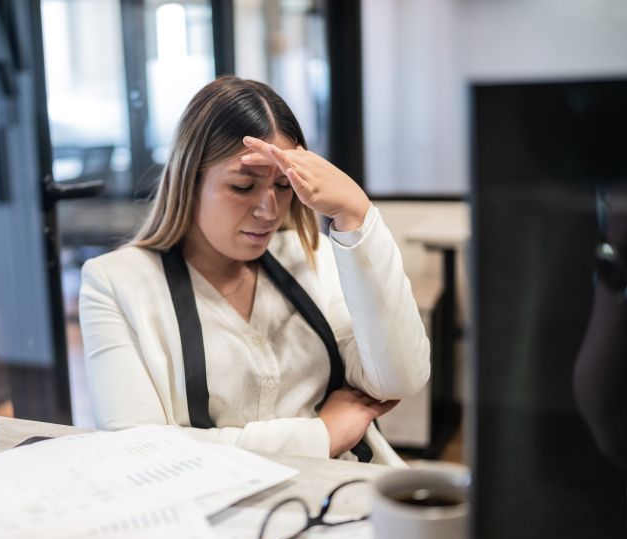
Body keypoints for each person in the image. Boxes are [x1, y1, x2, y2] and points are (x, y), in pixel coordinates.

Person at [79, 76, 429, 462]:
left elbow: (401, 377)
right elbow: (134, 450)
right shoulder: (115, 283)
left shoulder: (311, 253)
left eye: (283, 185)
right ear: (188, 181)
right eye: (243, 187)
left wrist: (356, 214)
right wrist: (321, 436)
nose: (270, 211)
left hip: (340, 496)